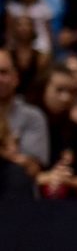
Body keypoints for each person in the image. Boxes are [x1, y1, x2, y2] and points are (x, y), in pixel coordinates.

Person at [36, 62, 77, 198]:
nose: (66, 98)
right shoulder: (29, 125)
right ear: (43, 89)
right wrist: (45, 178)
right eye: (59, 90)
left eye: (71, 92)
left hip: (70, 204)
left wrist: (66, 180)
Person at [0, 47, 49, 180]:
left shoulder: (33, 116)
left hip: (15, 187)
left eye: (4, 72)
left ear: (15, 78)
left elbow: (32, 169)